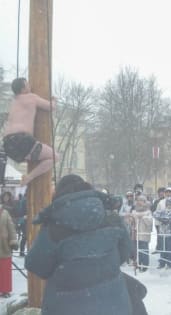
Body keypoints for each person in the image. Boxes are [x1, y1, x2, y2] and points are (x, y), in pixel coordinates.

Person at [25, 174, 133, 315]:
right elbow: (126, 251)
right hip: (113, 304)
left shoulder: (53, 227)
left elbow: (36, 265)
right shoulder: (111, 218)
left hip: (66, 306)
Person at [3, 77, 58, 186]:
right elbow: (51, 107)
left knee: (34, 158)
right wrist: (54, 99)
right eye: (27, 84)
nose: (30, 86)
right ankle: (28, 178)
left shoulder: (13, 102)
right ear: (23, 89)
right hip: (21, 139)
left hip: (8, 144)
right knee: (54, 157)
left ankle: (29, 176)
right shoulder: (31, 97)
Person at [0, 203, 18, 298]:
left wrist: (13, 241)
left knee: (5, 270)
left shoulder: (5, 213)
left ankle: (5, 290)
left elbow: (11, 228)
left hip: (4, 246)